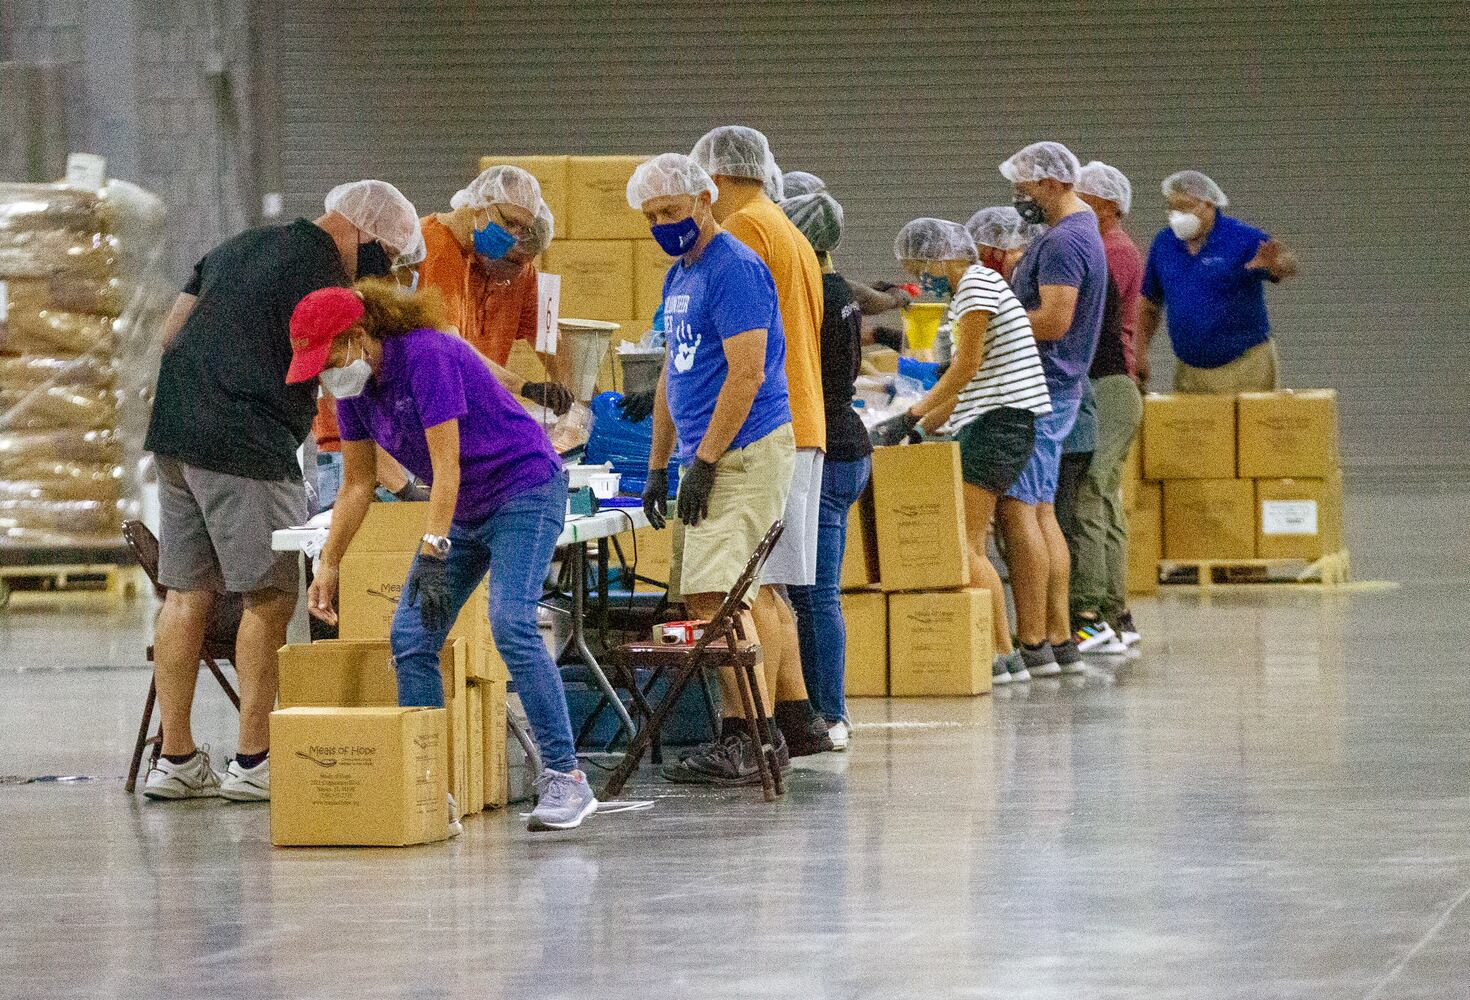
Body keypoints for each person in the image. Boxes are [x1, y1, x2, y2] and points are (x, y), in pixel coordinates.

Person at [140, 179, 421, 802]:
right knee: (268, 598)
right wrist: (398, 477)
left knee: (185, 595)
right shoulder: (325, 276)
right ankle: (254, 760)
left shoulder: (242, 245)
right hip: (247, 442)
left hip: (176, 432)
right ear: (364, 231)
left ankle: (176, 759)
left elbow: (170, 332)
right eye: (390, 257)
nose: (387, 273)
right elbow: (345, 369)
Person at [292, 281, 596, 832]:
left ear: (359, 336)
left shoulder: (426, 356)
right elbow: (358, 483)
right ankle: (429, 787)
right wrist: (330, 561)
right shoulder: (352, 390)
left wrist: (433, 549)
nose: (324, 376)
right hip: (465, 507)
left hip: (522, 489)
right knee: (411, 637)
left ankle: (565, 777)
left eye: (326, 359)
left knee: (510, 622)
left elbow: (446, 466)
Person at [626, 153, 797, 785]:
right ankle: (760, 733)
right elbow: (675, 373)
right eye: (651, 217)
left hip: (745, 448)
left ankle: (744, 739)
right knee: (728, 596)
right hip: (708, 451)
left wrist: (703, 460)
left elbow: (748, 372)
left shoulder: (735, 270)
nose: (662, 224)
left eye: (671, 211)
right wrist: (658, 465)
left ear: (704, 198)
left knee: (718, 599)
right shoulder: (680, 276)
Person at [690, 125, 831, 755]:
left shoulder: (743, 230)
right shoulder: (789, 230)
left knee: (740, 590)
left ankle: (751, 731)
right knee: (770, 586)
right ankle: (797, 719)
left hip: (766, 428)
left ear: (712, 179)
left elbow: (743, 352)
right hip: (803, 421)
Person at [886, 217, 1052, 687]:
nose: (921, 278)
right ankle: (1005, 654)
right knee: (971, 542)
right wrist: (919, 431)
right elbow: (965, 386)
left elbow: (963, 369)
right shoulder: (976, 290)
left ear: (943, 256)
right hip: (994, 422)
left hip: (999, 425)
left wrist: (911, 414)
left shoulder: (977, 287)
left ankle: (999, 652)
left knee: (968, 543)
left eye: (921, 266)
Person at [997, 141, 1110, 679]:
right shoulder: (1077, 233)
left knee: (1022, 511)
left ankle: (1035, 638)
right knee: (1043, 511)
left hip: (1038, 388)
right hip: (1056, 387)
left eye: (1025, 190)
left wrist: (993, 326)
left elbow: (1055, 320)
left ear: (1052, 183)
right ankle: (1059, 639)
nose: (1021, 200)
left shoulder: (1065, 240)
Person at [780, 192, 870, 748]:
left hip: (828, 450)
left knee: (813, 593)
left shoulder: (809, 292)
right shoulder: (837, 290)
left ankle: (829, 714)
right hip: (846, 446)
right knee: (814, 591)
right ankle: (823, 710)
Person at [416, 164, 573, 412]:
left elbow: (549, 339)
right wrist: (523, 387)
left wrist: (567, 393)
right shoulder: (441, 251)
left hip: (476, 399)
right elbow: (450, 346)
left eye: (524, 264)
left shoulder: (524, 274)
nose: (512, 273)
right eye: (509, 260)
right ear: (483, 203)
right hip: (437, 400)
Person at [1073, 160, 1146, 649]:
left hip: (1110, 383)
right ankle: (1117, 611)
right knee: (1106, 501)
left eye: (1085, 196)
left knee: (1090, 496)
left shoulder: (1111, 252)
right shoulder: (1108, 247)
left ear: (1108, 205)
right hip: (1111, 383)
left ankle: (1093, 613)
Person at [1138, 169, 1298, 392]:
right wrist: (1140, 351)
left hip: (1246, 366)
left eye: (1184, 206)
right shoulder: (1164, 244)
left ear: (1209, 204)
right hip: (1189, 369)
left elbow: (1286, 262)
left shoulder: (1242, 238)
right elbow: (1148, 304)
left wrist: (1277, 265)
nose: (1176, 214)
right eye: (1171, 207)